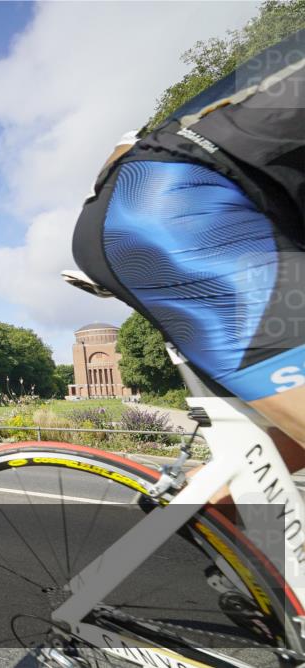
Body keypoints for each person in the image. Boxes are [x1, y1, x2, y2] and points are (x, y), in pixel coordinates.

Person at [72, 31, 305, 460]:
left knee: (285, 448)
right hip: (179, 212)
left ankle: (197, 511)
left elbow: (123, 147)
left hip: (183, 212)